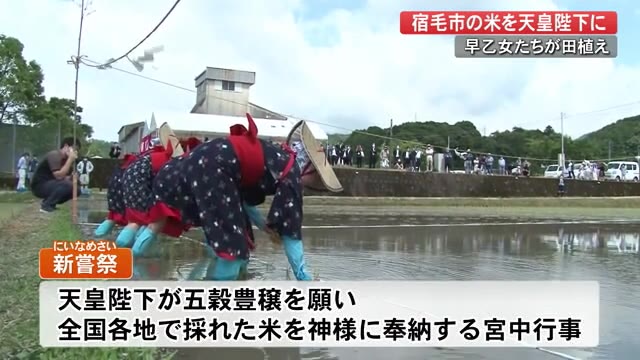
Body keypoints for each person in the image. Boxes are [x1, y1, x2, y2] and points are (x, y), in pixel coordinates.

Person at [150, 114, 343, 281]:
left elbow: (241, 200)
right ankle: (213, 299)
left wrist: (263, 226)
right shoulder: (291, 171)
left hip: (202, 161)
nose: (310, 182)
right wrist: (303, 276)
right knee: (232, 249)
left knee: (234, 238)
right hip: (215, 169)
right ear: (307, 167)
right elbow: (291, 232)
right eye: (315, 175)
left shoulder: (276, 158)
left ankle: (224, 281)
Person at [94, 153, 140, 238]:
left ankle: (97, 235)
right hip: (129, 200)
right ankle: (125, 242)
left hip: (115, 197)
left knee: (111, 218)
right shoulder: (138, 166)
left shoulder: (121, 167)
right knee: (135, 221)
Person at [31, 137, 81, 213]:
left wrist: (72, 177)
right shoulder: (54, 155)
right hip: (40, 186)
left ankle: (50, 202)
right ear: (66, 146)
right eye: (74, 149)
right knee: (67, 185)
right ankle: (46, 205)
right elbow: (59, 176)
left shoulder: (66, 160)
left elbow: (63, 178)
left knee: (76, 189)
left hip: (51, 184)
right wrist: (70, 159)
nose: (75, 152)